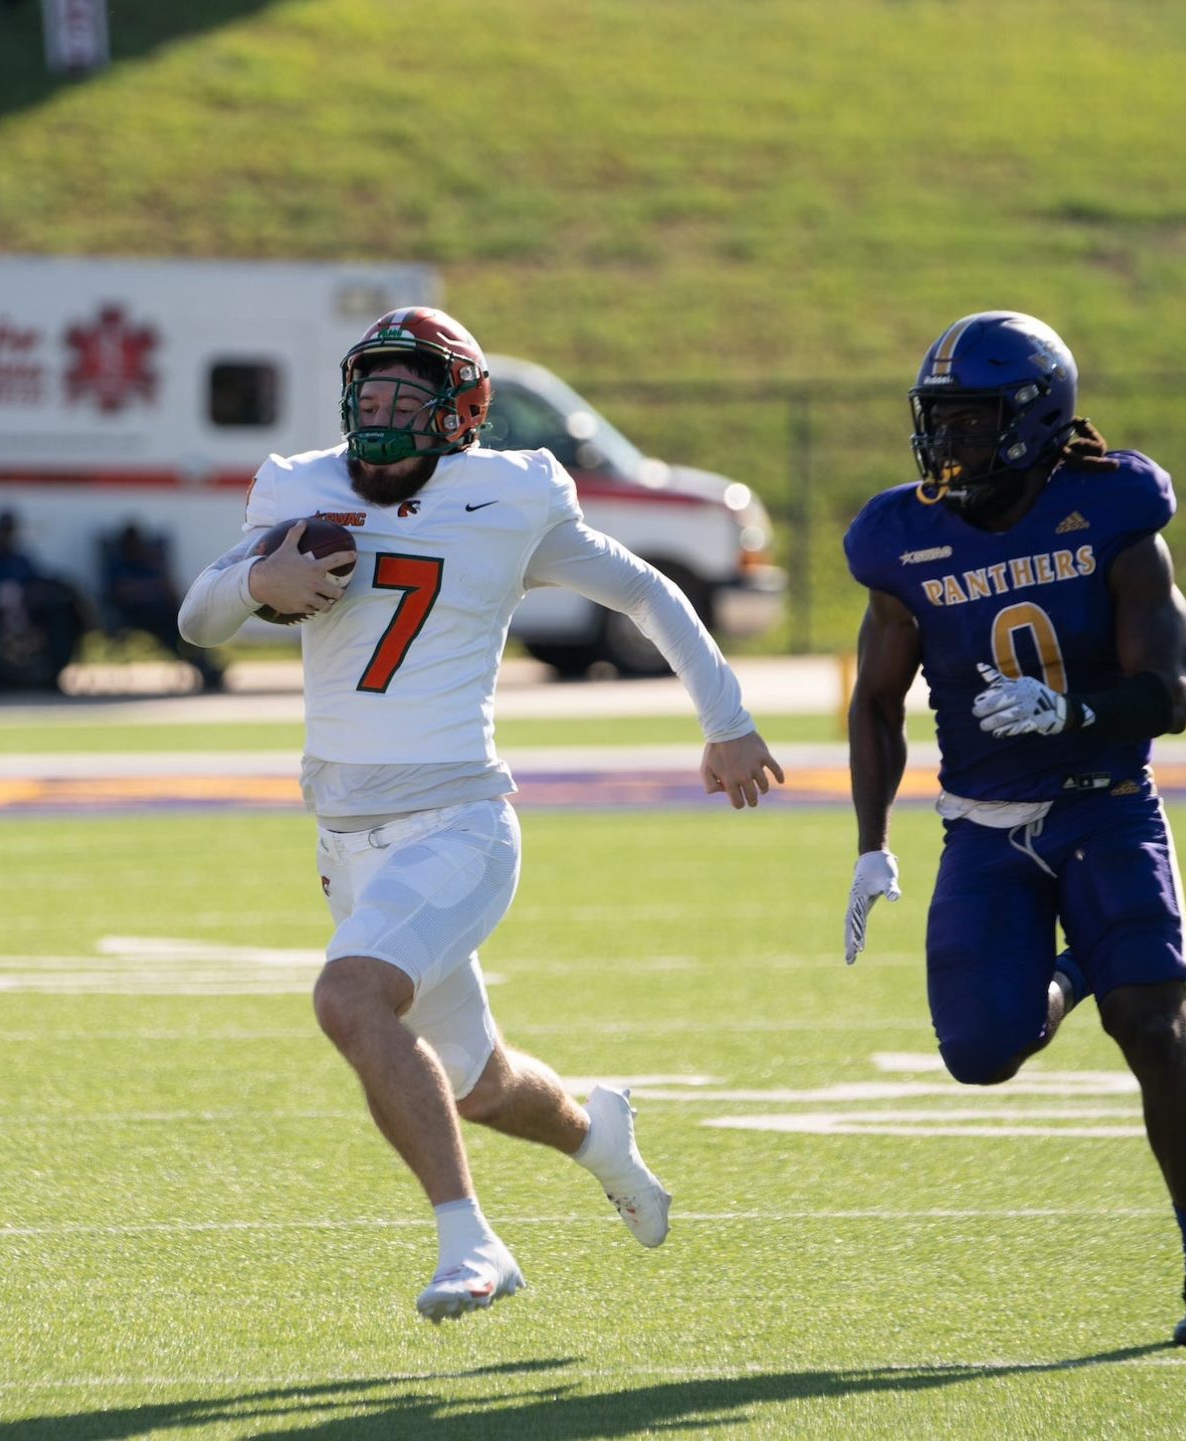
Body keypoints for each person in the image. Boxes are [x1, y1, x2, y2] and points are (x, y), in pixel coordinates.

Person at [180, 307, 785, 1322]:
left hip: (457, 822)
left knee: (349, 1000)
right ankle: (599, 1135)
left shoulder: (508, 496)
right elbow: (199, 619)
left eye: (403, 402)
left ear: (459, 417)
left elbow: (649, 595)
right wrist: (257, 579)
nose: (376, 419)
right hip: (344, 838)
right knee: (479, 1084)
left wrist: (728, 721)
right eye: (365, 397)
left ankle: (471, 1240)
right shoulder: (297, 484)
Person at [838, 311, 1186, 1346]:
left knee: (1151, 1029)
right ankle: (1098, 961)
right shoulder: (902, 536)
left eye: (971, 420)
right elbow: (875, 700)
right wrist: (869, 841)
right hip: (982, 825)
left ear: (1034, 417)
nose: (950, 445)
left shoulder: (1110, 509)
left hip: (1103, 801)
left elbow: (1173, 690)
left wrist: (1076, 713)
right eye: (939, 421)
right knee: (982, 1053)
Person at [0, 509, 80, 690]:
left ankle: (52, 676)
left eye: (10, 530)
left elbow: (37, 584)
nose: (7, 534)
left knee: (60, 612)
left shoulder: (21, 559)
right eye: (4, 529)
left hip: (24, 613)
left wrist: (26, 598)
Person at [102, 521, 227, 691]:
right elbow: (123, 591)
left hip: (164, 611)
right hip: (137, 616)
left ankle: (205, 664)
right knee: (174, 633)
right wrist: (149, 589)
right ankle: (202, 666)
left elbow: (168, 587)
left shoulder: (150, 561)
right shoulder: (119, 564)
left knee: (188, 626)